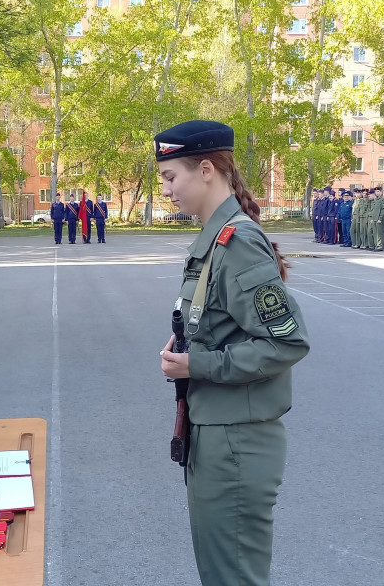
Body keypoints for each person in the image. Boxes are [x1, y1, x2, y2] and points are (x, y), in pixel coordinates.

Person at [156, 120, 310, 586]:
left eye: (169, 178)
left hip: (236, 443)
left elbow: (286, 341)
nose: (166, 191)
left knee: (234, 578)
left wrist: (197, 363)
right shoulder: (215, 240)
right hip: (216, 433)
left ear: (206, 169)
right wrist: (187, 346)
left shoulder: (236, 242)